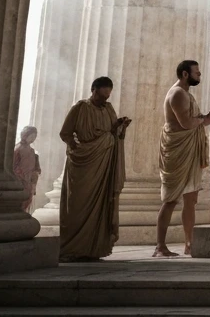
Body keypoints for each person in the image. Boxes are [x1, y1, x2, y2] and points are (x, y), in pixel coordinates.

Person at [154, 60, 210, 257]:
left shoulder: (186, 94)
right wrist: (207, 119)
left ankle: (189, 243)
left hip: (189, 150)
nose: (200, 74)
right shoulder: (177, 93)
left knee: (191, 199)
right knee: (170, 199)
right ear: (186, 74)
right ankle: (160, 246)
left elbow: (194, 121)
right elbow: (186, 124)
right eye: (197, 72)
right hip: (178, 150)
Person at [58, 77, 129, 261]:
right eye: (101, 95)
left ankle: (93, 249)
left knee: (100, 205)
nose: (104, 99)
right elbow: (65, 133)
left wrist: (120, 127)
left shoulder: (108, 108)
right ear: (93, 90)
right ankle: (72, 248)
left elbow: (113, 134)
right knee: (77, 205)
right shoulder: (80, 108)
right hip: (82, 166)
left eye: (107, 95)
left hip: (103, 166)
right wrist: (75, 147)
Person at [12, 126, 41, 212]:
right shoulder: (17, 149)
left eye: (34, 137)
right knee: (20, 199)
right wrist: (20, 175)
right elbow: (13, 165)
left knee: (28, 198)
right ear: (25, 135)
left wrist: (35, 174)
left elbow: (36, 167)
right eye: (31, 136)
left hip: (29, 180)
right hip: (20, 178)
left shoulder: (32, 151)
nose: (33, 139)